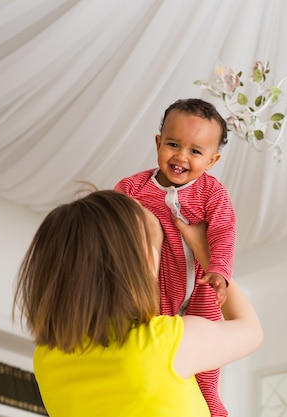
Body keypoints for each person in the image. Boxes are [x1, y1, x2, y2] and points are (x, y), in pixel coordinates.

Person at [13, 189, 263, 417]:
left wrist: (152, 240)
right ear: (136, 266)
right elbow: (250, 330)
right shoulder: (165, 343)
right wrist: (207, 255)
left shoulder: (46, 359)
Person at [114, 98, 234, 416]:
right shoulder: (131, 188)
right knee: (153, 342)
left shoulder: (212, 193)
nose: (181, 157)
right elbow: (114, 232)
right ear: (158, 143)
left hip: (202, 288)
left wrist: (219, 271)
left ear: (211, 160)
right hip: (157, 287)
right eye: (173, 144)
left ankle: (211, 407)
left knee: (207, 358)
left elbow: (223, 231)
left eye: (195, 151)